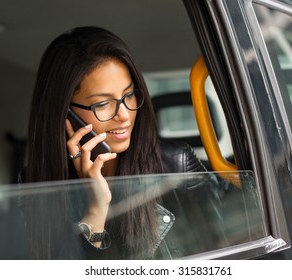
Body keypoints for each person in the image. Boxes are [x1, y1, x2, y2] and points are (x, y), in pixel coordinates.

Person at [21, 26, 209, 260]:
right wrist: (96, 209)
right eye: (102, 104)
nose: (124, 115)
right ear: (66, 115)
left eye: (129, 95)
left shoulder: (175, 165)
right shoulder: (35, 183)